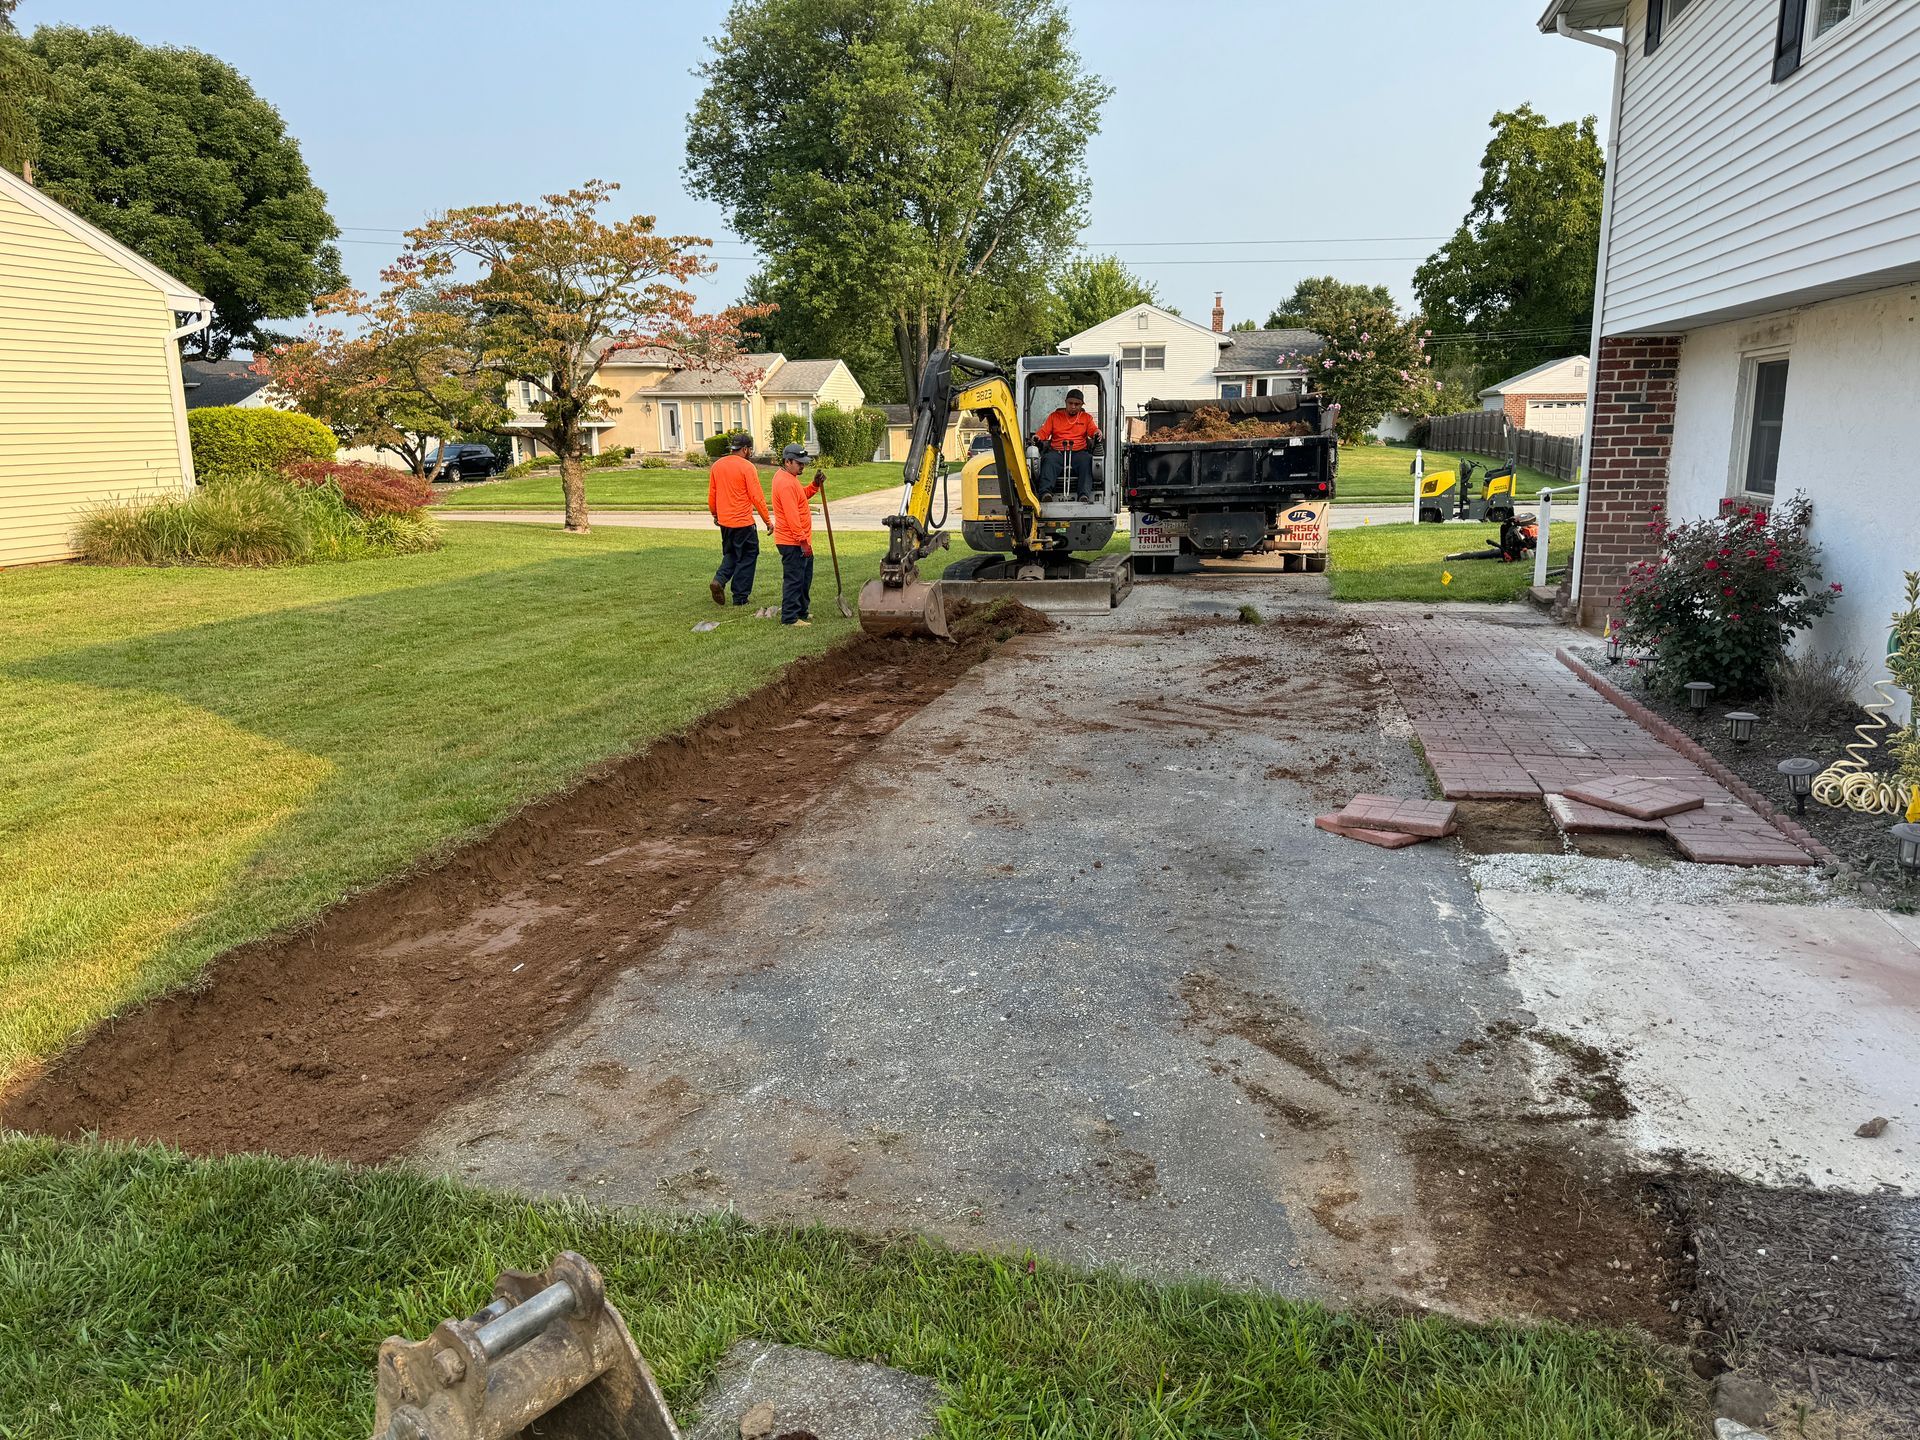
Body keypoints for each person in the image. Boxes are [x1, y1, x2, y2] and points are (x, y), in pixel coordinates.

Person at [707, 431, 772, 606]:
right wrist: (767, 521)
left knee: (731, 554)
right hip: (743, 523)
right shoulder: (747, 467)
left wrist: (715, 514)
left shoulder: (717, 466)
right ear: (744, 449)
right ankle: (740, 597)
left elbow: (712, 494)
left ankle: (719, 580)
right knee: (748, 555)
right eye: (749, 449)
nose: (750, 453)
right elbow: (756, 497)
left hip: (725, 522)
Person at [770, 443, 824, 626]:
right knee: (794, 580)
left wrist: (815, 485)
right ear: (787, 462)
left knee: (804, 577)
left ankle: (801, 610)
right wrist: (803, 541)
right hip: (793, 542)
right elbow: (792, 516)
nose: (803, 466)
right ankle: (790, 618)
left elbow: (801, 496)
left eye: (804, 462)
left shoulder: (789, 478)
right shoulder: (785, 483)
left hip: (799, 540)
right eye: (799, 463)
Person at [1034, 388, 1101, 502]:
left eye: (1077, 404)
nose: (1073, 406)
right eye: (1070, 403)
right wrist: (1037, 437)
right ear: (1065, 402)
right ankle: (1045, 493)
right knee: (1048, 459)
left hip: (1078, 453)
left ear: (1081, 405)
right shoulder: (1054, 416)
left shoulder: (1086, 418)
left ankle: (1083, 495)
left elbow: (1092, 430)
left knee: (1087, 460)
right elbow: (1044, 431)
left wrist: (1097, 432)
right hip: (1058, 453)